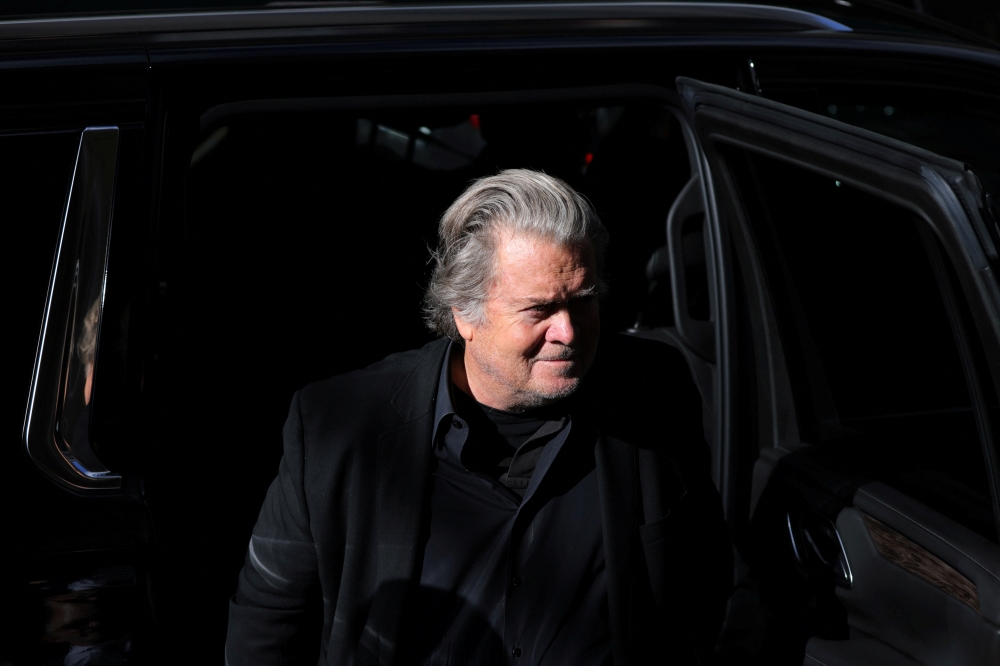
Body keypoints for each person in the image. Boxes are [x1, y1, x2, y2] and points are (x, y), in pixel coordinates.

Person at [226, 169, 732, 665]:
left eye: (584, 302)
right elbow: (267, 618)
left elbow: (706, 577)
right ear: (465, 313)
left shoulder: (652, 392)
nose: (570, 332)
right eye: (538, 310)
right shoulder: (337, 427)